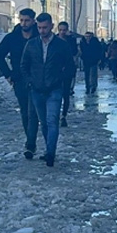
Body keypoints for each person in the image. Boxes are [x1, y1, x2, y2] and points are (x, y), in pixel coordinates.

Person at [20, 13, 76, 167]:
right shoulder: (31, 45)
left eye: (45, 27)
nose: (42, 30)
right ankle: (47, 149)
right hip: (36, 89)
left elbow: (70, 66)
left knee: (52, 120)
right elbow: (24, 66)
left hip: (54, 89)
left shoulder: (61, 45)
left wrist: (60, 80)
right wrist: (30, 81)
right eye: (39, 27)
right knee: (43, 122)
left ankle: (51, 152)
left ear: (51, 26)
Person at [0, 8, 40, 143]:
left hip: (39, 79)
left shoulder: (40, 36)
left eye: (27, 20)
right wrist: (8, 74)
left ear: (33, 21)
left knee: (37, 112)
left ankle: (36, 139)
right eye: (21, 20)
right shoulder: (12, 38)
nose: (24, 23)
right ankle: (30, 141)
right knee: (26, 111)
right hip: (20, 80)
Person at [57, 21, 80, 128]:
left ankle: (63, 116)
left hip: (67, 71)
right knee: (55, 94)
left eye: (64, 30)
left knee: (66, 94)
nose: (62, 32)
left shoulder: (71, 41)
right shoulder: (53, 39)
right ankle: (55, 114)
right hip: (55, 72)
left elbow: (75, 53)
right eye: (60, 30)